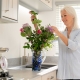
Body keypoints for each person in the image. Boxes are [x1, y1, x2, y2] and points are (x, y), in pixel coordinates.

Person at [51, 6, 80, 80]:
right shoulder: (61, 34)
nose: (62, 19)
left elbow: (74, 46)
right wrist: (35, 24)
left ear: (73, 15)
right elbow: (46, 40)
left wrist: (58, 33)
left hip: (76, 74)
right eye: (61, 16)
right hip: (63, 74)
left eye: (65, 15)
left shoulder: (78, 32)